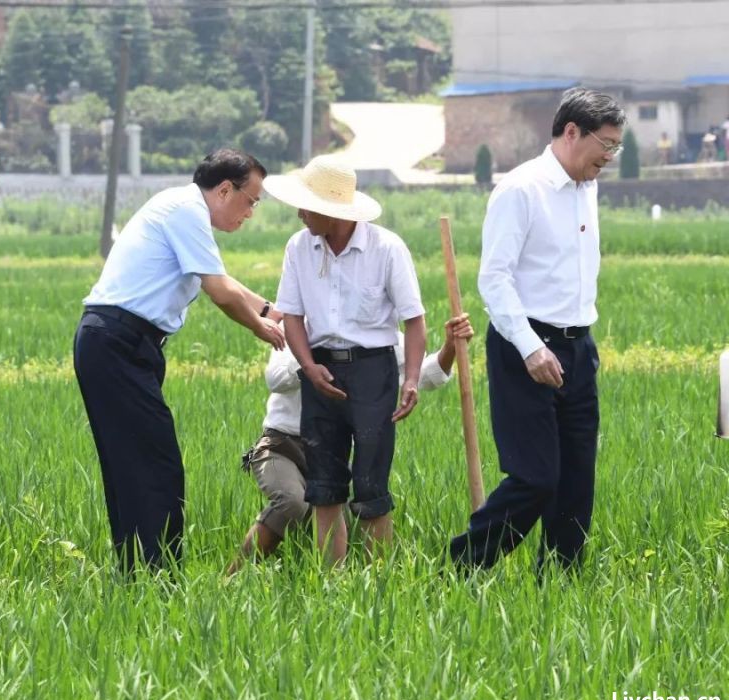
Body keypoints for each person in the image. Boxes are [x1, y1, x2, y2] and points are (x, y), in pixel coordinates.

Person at [74, 149, 286, 573]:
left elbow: (225, 280)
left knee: (138, 466)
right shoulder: (186, 210)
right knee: (153, 467)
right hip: (117, 343)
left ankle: (142, 574)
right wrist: (262, 328)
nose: (251, 212)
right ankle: (155, 577)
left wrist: (269, 309)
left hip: (123, 345)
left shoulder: (185, 209)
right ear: (225, 189)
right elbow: (220, 291)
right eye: (251, 200)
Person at [448, 87, 626, 575]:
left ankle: (560, 582)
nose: (610, 157)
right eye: (606, 145)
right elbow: (495, 278)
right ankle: (461, 567)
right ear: (572, 132)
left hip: (577, 347)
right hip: (523, 346)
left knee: (576, 480)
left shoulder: (586, 186)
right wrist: (530, 348)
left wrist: (581, 345)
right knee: (536, 477)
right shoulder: (521, 189)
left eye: (616, 148)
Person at [266, 154, 427, 566]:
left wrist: (410, 380)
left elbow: (414, 320)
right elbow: (293, 317)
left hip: (373, 371)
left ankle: (380, 583)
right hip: (318, 367)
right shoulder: (299, 247)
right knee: (324, 482)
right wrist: (308, 366)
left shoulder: (386, 248)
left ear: (330, 210)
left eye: (306, 206)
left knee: (372, 482)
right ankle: (331, 583)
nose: (300, 214)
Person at [227, 315, 474, 574]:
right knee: (292, 502)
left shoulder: (373, 331)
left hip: (332, 451)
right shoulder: (297, 324)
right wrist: (319, 358)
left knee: (348, 520)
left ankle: (326, 582)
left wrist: (450, 346)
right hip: (282, 445)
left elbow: (425, 375)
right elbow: (275, 378)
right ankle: (234, 575)